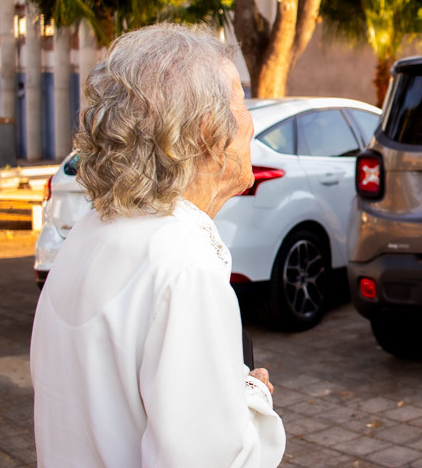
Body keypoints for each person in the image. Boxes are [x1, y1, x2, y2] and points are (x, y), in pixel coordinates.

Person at [31, 24, 286, 467]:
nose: (251, 124)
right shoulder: (183, 266)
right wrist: (254, 396)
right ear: (210, 133)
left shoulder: (90, 233)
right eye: (242, 103)